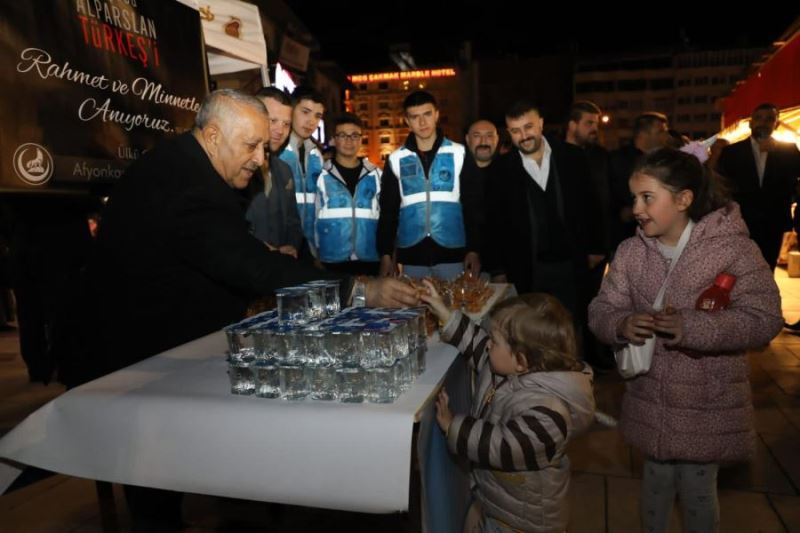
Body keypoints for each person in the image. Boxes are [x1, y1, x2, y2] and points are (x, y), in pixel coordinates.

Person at [80, 89, 417, 531]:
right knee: (155, 481)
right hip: (142, 354)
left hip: (167, 342)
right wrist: (360, 289)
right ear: (214, 134)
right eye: (251, 145)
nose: (261, 158)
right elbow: (244, 264)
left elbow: (219, 247)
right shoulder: (187, 185)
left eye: (264, 146)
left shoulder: (189, 165)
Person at [588, 148, 783, 533]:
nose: (637, 209)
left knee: (697, 491)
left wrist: (693, 328)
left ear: (683, 200)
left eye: (648, 198)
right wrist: (622, 323)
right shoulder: (630, 252)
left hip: (705, 402)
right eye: (634, 198)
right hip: (651, 398)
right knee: (655, 486)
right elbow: (601, 308)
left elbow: (764, 318)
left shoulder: (733, 250)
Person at [421, 282, 595, 533]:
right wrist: (444, 313)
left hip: (524, 522)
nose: (488, 344)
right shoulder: (505, 366)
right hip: (501, 502)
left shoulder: (549, 415)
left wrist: (452, 426)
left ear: (522, 361)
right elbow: (476, 343)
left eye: (495, 340)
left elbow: (501, 445)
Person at [485, 100, 604, 320]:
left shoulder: (573, 157)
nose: (524, 135)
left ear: (540, 123)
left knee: (571, 326)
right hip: (527, 267)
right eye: (515, 131)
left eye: (528, 127)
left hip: (572, 262)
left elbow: (591, 203)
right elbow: (494, 222)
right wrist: (497, 269)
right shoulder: (500, 169)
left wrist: (596, 247)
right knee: (533, 329)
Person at [377, 90, 483, 280]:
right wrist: (385, 253)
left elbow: (473, 207)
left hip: (453, 253)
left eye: (427, 114)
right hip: (411, 256)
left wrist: (474, 249)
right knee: (413, 309)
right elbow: (388, 211)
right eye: (415, 117)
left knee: (454, 309)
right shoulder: (396, 159)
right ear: (407, 121)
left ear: (436, 114)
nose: (422, 122)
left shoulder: (460, 154)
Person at [716, 102, 800, 270]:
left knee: (768, 267)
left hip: (773, 220)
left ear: (775, 124)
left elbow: (794, 179)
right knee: (739, 268)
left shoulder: (788, 151)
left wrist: (776, 154)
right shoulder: (732, 152)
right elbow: (722, 185)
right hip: (740, 220)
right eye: (759, 118)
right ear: (750, 123)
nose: (763, 122)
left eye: (769, 119)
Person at [314, 113, 382, 276]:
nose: (349, 141)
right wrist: (314, 256)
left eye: (354, 135)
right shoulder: (320, 175)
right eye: (343, 135)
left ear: (361, 138)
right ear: (334, 139)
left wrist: (388, 255)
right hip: (331, 261)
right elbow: (312, 218)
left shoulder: (376, 175)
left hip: (369, 260)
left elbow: (387, 218)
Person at [244, 87, 302, 257]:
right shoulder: (234, 167)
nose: (280, 130)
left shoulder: (285, 171)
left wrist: (292, 246)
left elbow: (293, 221)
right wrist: (269, 252)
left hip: (281, 272)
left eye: (286, 124)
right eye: (273, 121)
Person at [608, 112, 670, 251]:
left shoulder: (665, 161)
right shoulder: (618, 160)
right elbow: (608, 195)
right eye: (661, 131)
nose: (666, 135)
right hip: (625, 237)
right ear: (643, 133)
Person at [279, 86, 326, 250]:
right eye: (305, 112)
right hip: (281, 245)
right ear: (291, 109)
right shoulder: (278, 151)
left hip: (310, 248)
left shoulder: (315, 156)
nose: (312, 121)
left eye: (317, 116)